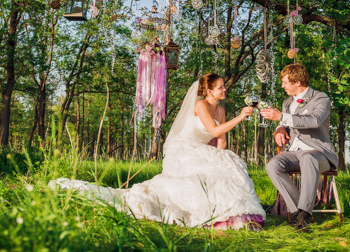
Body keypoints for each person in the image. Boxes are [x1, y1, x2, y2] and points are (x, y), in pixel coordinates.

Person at [50, 73, 266, 230]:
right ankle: (209, 214)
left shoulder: (221, 109)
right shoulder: (201, 105)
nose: (224, 90)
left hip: (202, 149)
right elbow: (214, 129)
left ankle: (235, 214)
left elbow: (221, 139)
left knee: (230, 166)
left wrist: (221, 157)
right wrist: (241, 116)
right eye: (220, 87)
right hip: (184, 147)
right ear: (209, 91)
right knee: (197, 178)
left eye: (223, 87)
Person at [259, 63, 338, 231]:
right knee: (273, 164)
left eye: (285, 82)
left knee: (308, 158)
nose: (282, 86)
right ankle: (297, 212)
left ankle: (304, 215)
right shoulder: (287, 102)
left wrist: (281, 117)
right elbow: (286, 123)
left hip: (319, 154)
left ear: (297, 82)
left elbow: (315, 121)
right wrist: (280, 127)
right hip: (294, 153)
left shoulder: (321, 98)